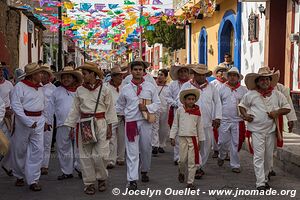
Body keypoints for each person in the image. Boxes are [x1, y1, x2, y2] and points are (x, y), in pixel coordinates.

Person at [64, 62, 117, 195]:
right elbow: (74, 110)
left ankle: (102, 178)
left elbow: (110, 109)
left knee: (101, 155)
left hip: (101, 123)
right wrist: (71, 126)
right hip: (84, 124)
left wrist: (110, 126)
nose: (83, 76)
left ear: (93, 74)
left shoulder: (105, 89)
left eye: (85, 73)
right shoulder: (79, 90)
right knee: (85, 155)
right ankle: (89, 183)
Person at [238, 68, 290, 190]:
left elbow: (287, 108)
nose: (265, 81)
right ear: (257, 82)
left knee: (268, 157)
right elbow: (241, 106)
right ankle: (260, 183)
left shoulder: (277, 95)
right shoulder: (250, 94)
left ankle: (265, 178)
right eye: (262, 79)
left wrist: (277, 112)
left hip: (271, 131)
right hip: (256, 131)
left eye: (267, 79)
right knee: (259, 156)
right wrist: (245, 115)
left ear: (270, 81)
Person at [116, 60, 160, 191]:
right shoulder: (125, 88)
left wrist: (147, 107)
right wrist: (123, 115)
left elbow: (157, 104)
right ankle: (132, 180)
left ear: (144, 72)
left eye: (140, 69)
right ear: (131, 71)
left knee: (146, 148)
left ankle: (145, 170)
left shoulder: (150, 87)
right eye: (135, 69)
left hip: (146, 122)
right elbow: (119, 105)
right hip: (131, 122)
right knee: (132, 152)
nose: (138, 72)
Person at [180, 64, 222, 179]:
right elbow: (180, 102)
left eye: (203, 75)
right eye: (198, 74)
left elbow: (217, 102)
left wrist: (217, 117)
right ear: (194, 74)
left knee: (206, 145)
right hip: (190, 121)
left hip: (207, 121)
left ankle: (200, 165)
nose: (201, 77)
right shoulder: (186, 86)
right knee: (192, 145)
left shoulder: (212, 87)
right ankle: (196, 167)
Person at [11, 63, 45, 191]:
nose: (42, 75)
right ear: (32, 75)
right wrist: (28, 121)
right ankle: (19, 175)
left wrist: (44, 120)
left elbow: (43, 105)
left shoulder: (40, 88)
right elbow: (16, 106)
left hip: (39, 121)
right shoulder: (20, 87)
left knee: (38, 150)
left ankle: (33, 180)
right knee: (20, 149)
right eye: (39, 73)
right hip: (23, 122)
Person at [48, 66, 83, 180]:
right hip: (62, 123)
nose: (66, 79)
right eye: (64, 77)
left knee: (80, 148)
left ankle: (81, 169)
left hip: (78, 123)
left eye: (68, 77)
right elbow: (50, 108)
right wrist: (48, 122)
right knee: (63, 148)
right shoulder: (56, 91)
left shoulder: (80, 90)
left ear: (73, 78)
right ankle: (67, 171)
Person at [170, 88, 205, 190]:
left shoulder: (197, 112)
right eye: (189, 99)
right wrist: (172, 137)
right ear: (184, 100)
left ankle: (190, 182)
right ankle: (181, 172)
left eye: (193, 99)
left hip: (193, 139)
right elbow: (175, 124)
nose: (191, 101)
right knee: (182, 160)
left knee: (192, 161)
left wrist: (201, 140)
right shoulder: (180, 110)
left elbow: (199, 127)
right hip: (182, 138)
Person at [217, 67, 248, 173]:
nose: (233, 77)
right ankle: (221, 155)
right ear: (228, 77)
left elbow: (247, 104)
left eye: (235, 75)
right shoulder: (221, 88)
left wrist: (246, 115)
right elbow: (217, 104)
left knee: (235, 143)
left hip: (237, 121)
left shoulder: (244, 90)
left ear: (238, 77)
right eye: (230, 75)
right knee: (222, 142)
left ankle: (235, 165)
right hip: (224, 120)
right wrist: (216, 117)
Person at [166, 65, 191, 165]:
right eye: (181, 72)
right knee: (176, 134)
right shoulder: (172, 84)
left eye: (185, 71)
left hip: (189, 112)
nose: (183, 74)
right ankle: (177, 156)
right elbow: (167, 97)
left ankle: (188, 155)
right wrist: (175, 103)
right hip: (176, 111)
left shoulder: (191, 84)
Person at [106, 65, 127, 168]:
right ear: (113, 77)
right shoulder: (106, 87)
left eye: (121, 75)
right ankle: (111, 159)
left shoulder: (125, 86)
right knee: (111, 137)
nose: (120, 77)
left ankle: (121, 157)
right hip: (111, 115)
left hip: (123, 116)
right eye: (118, 76)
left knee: (122, 137)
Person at [40, 65, 56, 175]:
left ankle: (45, 165)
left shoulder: (54, 89)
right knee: (37, 142)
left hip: (49, 117)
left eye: (46, 74)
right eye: (41, 73)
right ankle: (37, 163)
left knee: (46, 142)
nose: (43, 76)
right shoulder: (37, 87)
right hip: (37, 117)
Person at [210, 65, 229, 158]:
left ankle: (226, 151)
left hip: (226, 111)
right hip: (214, 109)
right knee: (215, 130)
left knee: (225, 132)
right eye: (220, 71)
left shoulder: (229, 84)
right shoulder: (213, 84)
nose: (222, 73)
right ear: (217, 73)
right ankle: (216, 149)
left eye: (224, 71)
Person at [152, 69, 170, 155]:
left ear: (166, 76)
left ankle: (162, 144)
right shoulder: (153, 86)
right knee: (155, 127)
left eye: (161, 75)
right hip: (155, 109)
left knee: (163, 128)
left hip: (165, 109)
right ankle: (155, 144)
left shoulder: (168, 87)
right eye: (158, 74)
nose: (159, 76)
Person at [0, 63, 14, 176]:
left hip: (7, 117)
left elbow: (13, 99)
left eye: (1, 70)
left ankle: (6, 165)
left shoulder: (9, 84)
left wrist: (11, 111)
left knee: (8, 142)